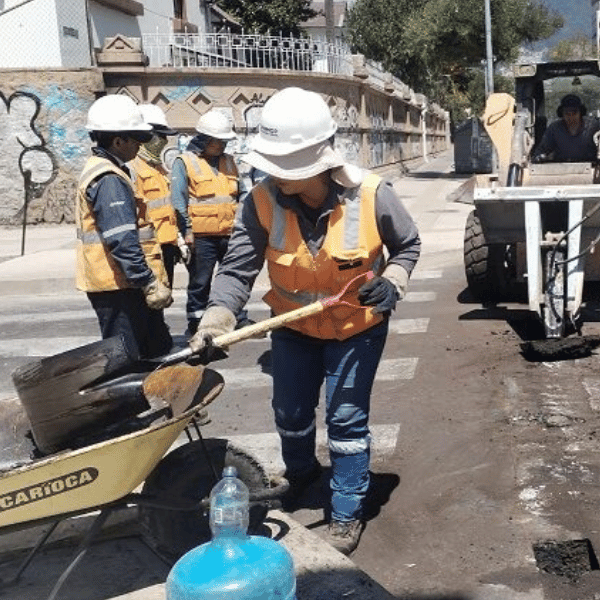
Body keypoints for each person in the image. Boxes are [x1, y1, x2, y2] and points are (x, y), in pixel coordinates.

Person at [188, 87, 421, 555]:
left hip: (357, 330)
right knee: (291, 414)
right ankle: (302, 475)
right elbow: (237, 270)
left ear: (318, 158)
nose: (273, 172)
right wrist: (216, 319)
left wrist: (393, 280)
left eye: (283, 162)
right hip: (293, 328)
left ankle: (346, 509)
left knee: (346, 421)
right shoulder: (262, 200)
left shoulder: (373, 194)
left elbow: (408, 246)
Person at [76, 94, 173, 360]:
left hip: (119, 283)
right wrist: (148, 283)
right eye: (136, 139)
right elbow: (122, 240)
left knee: (153, 349)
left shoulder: (105, 170)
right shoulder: (109, 179)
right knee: (126, 360)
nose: (140, 146)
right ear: (118, 141)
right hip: (119, 287)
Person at [171, 109, 250, 335]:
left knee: (232, 279)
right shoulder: (184, 162)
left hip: (229, 232)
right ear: (205, 139)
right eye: (219, 141)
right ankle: (196, 322)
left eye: (225, 141)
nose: (223, 145)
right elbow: (178, 199)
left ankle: (237, 317)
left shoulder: (229, 161)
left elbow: (242, 193)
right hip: (201, 236)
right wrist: (186, 230)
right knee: (200, 282)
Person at [132, 104, 188, 287]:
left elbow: (167, 210)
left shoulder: (157, 168)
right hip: (148, 251)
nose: (164, 141)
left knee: (161, 303)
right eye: (160, 135)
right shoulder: (133, 168)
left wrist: (177, 240)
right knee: (148, 308)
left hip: (166, 247)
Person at [533, 94, 600, 162]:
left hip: (590, 168)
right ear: (562, 114)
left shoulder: (592, 127)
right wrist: (540, 157)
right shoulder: (554, 129)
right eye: (567, 113)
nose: (571, 117)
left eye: (574, 113)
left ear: (581, 113)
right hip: (561, 168)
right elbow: (542, 150)